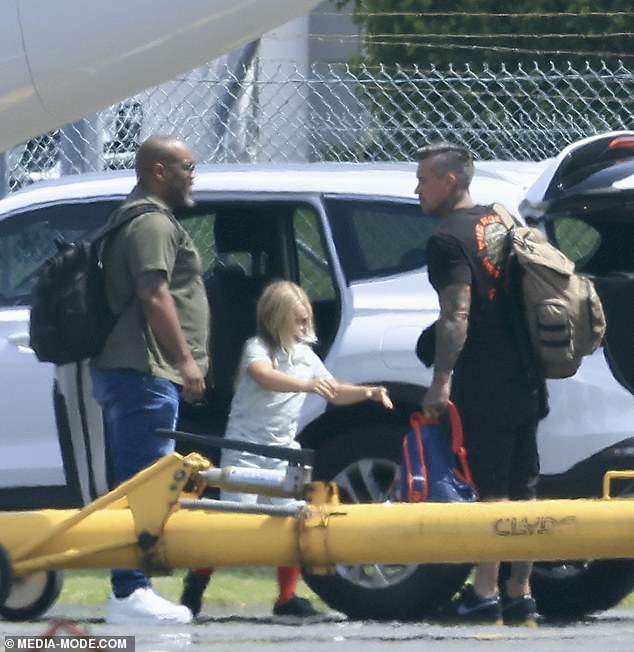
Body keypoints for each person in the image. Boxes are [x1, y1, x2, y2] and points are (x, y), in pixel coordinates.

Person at [180, 280, 393, 620]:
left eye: (307, 319)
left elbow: (334, 392)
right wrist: (307, 385)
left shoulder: (306, 356)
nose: (305, 327)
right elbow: (264, 377)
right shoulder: (258, 348)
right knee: (231, 528)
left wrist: (366, 392)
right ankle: (195, 585)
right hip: (245, 448)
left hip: (284, 452)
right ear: (276, 318)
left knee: (296, 519)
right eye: (298, 320)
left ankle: (287, 599)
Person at [415, 142, 547, 626]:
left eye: (424, 179)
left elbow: (457, 312)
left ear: (450, 180)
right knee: (524, 485)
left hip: (486, 379)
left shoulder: (447, 240)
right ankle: (521, 592)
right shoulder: (503, 218)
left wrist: (441, 380)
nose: (418, 188)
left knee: (490, 488)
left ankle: (485, 593)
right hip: (527, 374)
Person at [90, 135, 210, 625]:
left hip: (142, 371)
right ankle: (128, 592)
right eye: (186, 166)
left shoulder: (143, 217)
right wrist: (185, 360)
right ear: (159, 171)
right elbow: (153, 292)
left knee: (142, 480)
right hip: (145, 370)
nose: (193, 175)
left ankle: (131, 589)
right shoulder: (151, 222)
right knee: (142, 484)